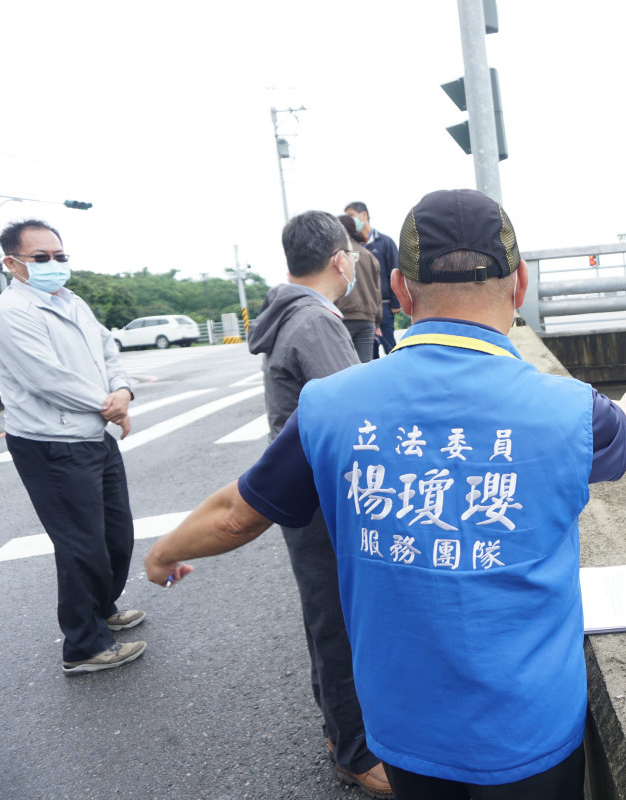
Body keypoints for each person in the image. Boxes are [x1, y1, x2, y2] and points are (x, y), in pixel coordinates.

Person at [145, 189, 626, 800]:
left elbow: (237, 515)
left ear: (400, 289)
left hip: (406, 727)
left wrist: (162, 553)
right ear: (520, 284)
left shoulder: (331, 405)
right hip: (530, 730)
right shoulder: (570, 414)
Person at [245, 211, 392, 798]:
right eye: (352, 256)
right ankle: (355, 751)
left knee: (324, 616)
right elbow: (351, 414)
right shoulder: (314, 322)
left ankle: (340, 734)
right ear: (340, 260)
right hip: (320, 496)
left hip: (305, 490)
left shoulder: (295, 314)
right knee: (337, 621)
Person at [0, 219, 145, 674]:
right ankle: (83, 645)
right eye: (40, 258)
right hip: (50, 442)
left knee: (115, 535)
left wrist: (121, 390)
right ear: (12, 263)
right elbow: (46, 378)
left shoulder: (72, 300)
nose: (54, 265)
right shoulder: (11, 312)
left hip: (93, 433)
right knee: (81, 545)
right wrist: (111, 406)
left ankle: (103, 608)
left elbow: (108, 349)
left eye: (60, 257)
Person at [344, 202, 399, 357]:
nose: (350, 220)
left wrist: (396, 303)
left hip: (385, 304)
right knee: (369, 353)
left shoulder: (384, 242)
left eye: (351, 215)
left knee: (390, 347)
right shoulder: (352, 247)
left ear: (364, 215)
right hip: (365, 308)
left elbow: (394, 271)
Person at [335, 213, 384, 363]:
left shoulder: (337, 255)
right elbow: (377, 291)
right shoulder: (369, 255)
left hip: (343, 317)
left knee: (343, 367)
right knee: (364, 365)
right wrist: (377, 321)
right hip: (367, 319)